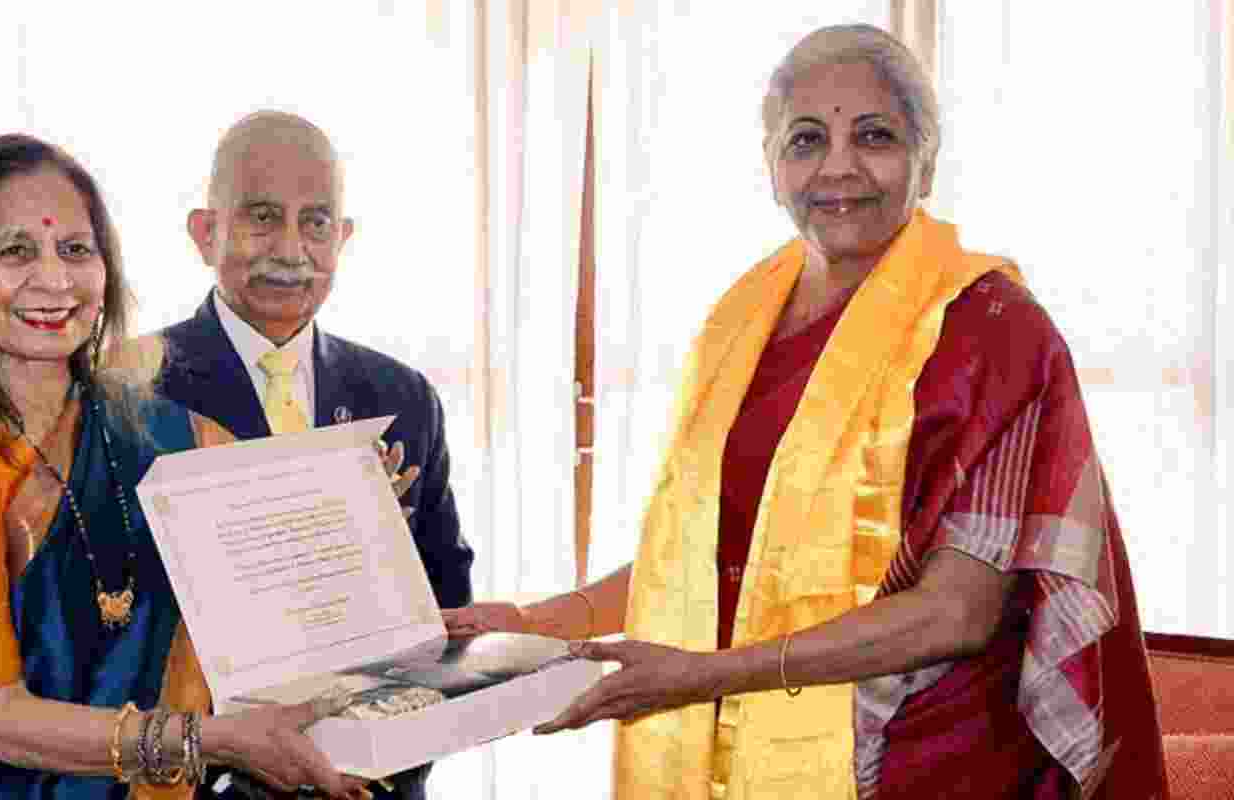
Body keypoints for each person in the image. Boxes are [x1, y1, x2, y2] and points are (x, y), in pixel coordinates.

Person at [444, 24, 1168, 799]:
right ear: (772, 167)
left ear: (925, 163)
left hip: (924, 764)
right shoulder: (741, 321)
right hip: (739, 750)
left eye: (875, 136)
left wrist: (709, 675)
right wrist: (542, 621)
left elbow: (957, 613)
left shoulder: (991, 329)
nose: (839, 166)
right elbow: (703, 562)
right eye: (807, 139)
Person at [0, 133, 370, 800]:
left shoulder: (160, 430)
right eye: (16, 252)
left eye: (76, 250)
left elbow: (288, 569)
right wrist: (210, 741)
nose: (54, 280)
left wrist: (368, 527)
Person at [127, 111, 474, 800]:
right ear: (205, 232)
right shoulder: (129, 391)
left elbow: (447, 610)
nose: (290, 249)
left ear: (343, 238)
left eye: (316, 222)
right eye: (262, 217)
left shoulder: (402, 396)